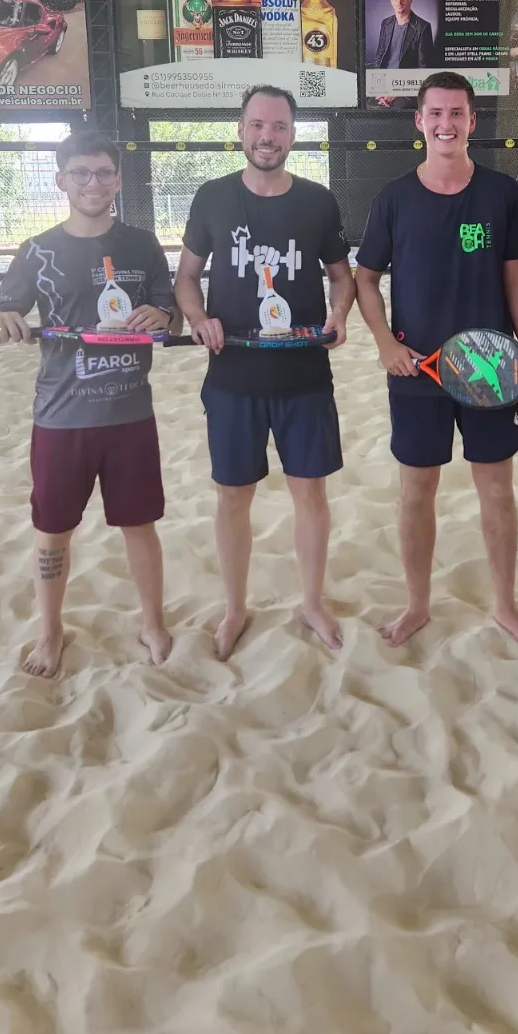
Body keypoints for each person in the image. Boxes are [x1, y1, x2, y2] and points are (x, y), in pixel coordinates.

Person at [354, 70, 518, 648]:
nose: (445, 123)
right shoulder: (393, 198)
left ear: (471, 121)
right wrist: (386, 344)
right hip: (417, 372)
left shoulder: (501, 193)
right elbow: (365, 280)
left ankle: (505, 605)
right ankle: (417, 604)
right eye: (435, 113)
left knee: (496, 490)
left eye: (456, 113)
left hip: (489, 368)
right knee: (417, 492)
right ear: (419, 121)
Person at [0, 133, 179, 677]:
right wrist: (2, 322)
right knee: (53, 531)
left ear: (119, 180)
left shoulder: (143, 246)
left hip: (130, 416)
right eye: (81, 173)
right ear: (61, 180)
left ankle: (152, 622)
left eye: (103, 172)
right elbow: (1, 311)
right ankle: (50, 632)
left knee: (139, 525)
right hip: (62, 418)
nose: (93, 183)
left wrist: (162, 319)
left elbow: (170, 311)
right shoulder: (38, 250)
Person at [174, 85, 355, 661]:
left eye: (278, 126)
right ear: (241, 130)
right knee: (233, 498)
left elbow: (341, 275)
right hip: (233, 377)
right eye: (257, 125)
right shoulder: (212, 198)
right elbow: (185, 279)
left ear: (293, 134)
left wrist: (339, 313)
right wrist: (199, 318)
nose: (267, 136)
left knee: (311, 494)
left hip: (303, 375)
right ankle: (234, 608)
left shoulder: (318, 202)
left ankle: (311, 602)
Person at [374, 0, 436, 72]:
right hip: (385, 80)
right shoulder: (385, 23)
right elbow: (379, 56)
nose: (399, 1)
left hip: (406, 82)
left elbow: (424, 68)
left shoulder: (423, 28)